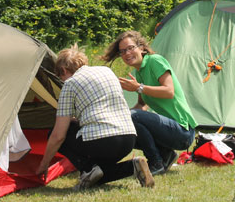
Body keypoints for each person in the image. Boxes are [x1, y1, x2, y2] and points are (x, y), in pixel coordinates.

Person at [35, 45, 154, 190]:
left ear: (64, 71)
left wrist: (44, 164)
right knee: (99, 173)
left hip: (102, 142)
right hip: (128, 138)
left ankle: (88, 169)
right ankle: (132, 166)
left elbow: (58, 135)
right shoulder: (107, 71)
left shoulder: (70, 84)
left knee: (58, 134)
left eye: (60, 76)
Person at [101, 30, 198, 175]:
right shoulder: (139, 72)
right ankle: (166, 155)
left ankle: (155, 162)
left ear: (141, 47)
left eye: (130, 48)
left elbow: (169, 91)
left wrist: (138, 87)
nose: (127, 54)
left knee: (134, 116)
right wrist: (120, 118)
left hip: (183, 131)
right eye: (122, 51)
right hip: (169, 131)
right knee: (127, 123)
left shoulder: (155, 61)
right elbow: (142, 106)